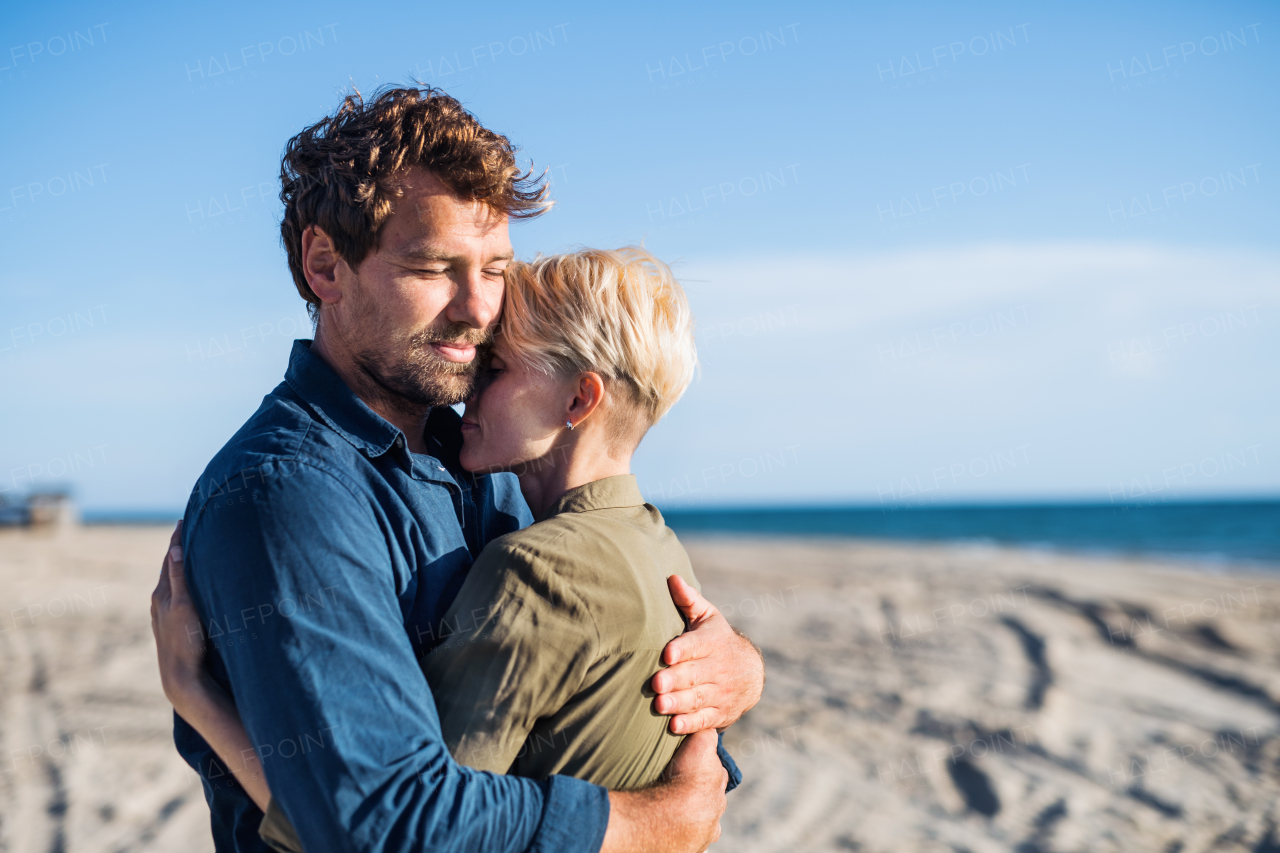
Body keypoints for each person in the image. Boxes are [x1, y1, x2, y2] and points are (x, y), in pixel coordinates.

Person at [151, 86, 764, 853]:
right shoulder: (287, 495)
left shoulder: (485, 453)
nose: (479, 309)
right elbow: (387, 822)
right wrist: (649, 824)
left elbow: (580, 672)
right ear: (324, 265)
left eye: (496, 268)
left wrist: (726, 671)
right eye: (435, 266)